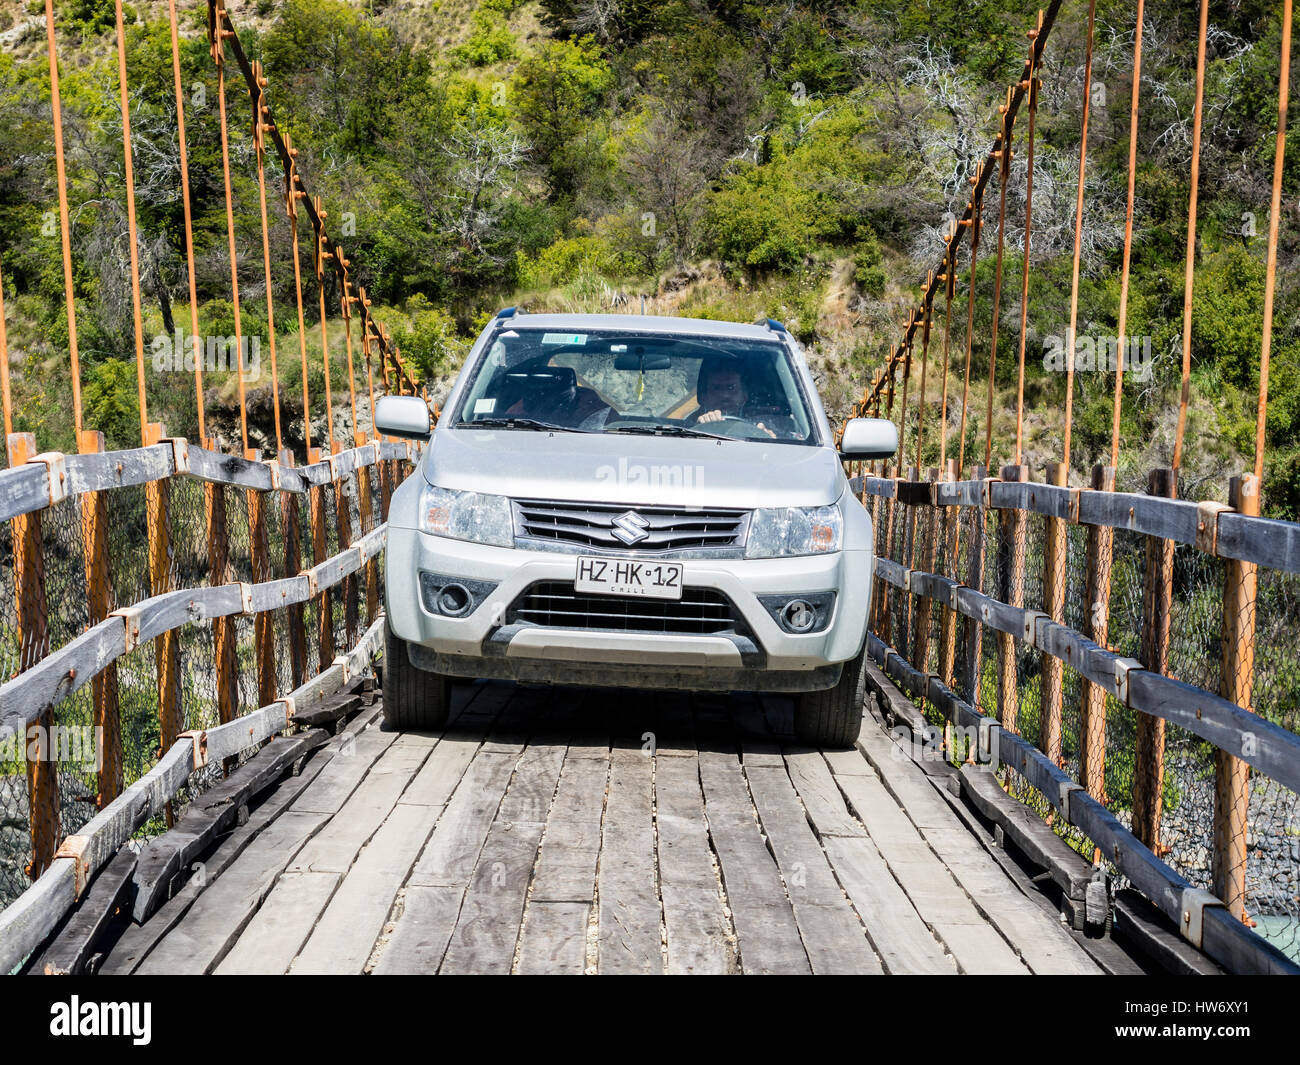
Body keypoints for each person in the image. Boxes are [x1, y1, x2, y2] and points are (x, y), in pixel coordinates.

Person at [689, 359, 779, 438]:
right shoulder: (689, 424)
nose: (724, 395)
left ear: (744, 395)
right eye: (716, 388)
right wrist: (698, 430)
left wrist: (768, 438)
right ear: (704, 396)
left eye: (731, 388)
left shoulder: (762, 422)